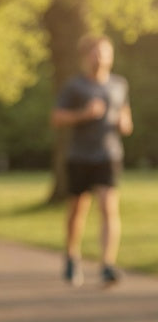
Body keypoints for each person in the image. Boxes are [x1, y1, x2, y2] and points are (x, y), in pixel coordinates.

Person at [50, 34, 133, 286]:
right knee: (78, 209)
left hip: (108, 155)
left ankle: (107, 264)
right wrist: (84, 115)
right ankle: (72, 257)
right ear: (85, 57)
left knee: (108, 207)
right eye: (95, 53)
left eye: (105, 52)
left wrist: (123, 123)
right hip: (79, 156)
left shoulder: (119, 84)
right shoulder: (75, 86)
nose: (100, 57)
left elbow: (127, 120)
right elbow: (57, 118)